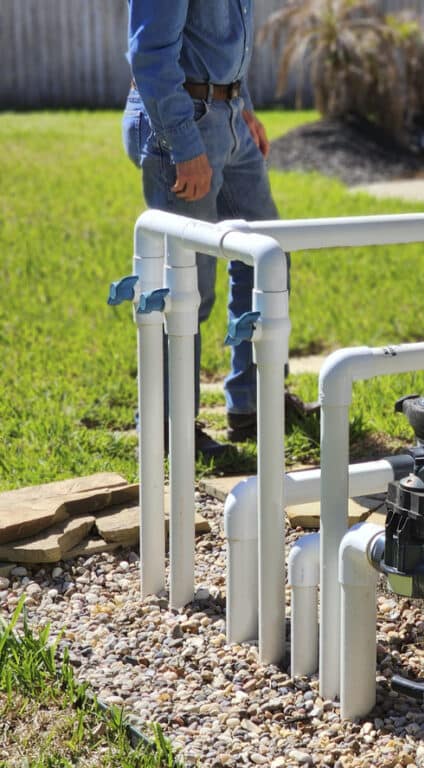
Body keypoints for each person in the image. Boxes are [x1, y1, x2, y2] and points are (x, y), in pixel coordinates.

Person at [122, 1, 309, 458]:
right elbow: (149, 52)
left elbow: (221, 45)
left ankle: (252, 404)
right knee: (188, 285)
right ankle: (169, 430)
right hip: (179, 122)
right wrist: (184, 148)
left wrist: (240, 107)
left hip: (227, 115)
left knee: (266, 256)